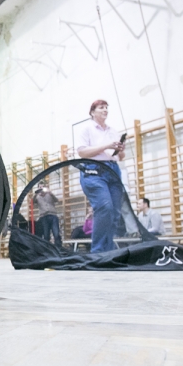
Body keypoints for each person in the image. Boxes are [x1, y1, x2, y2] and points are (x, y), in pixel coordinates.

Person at [75, 99, 125, 253]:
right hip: (93, 170)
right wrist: (107, 146)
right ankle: (97, 251)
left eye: (106, 108)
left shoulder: (113, 131)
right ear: (92, 112)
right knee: (105, 207)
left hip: (113, 169)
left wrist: (120, 149)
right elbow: (82, 152)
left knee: (115, 213)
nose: (105, 110)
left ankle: (107, 250)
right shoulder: (87, 129)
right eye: (101, 108)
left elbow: (121, 157)